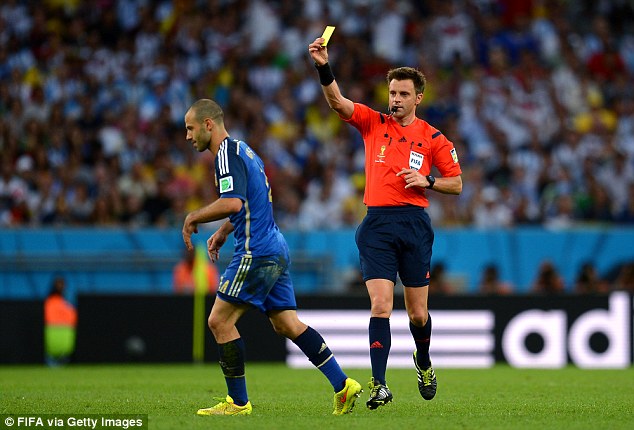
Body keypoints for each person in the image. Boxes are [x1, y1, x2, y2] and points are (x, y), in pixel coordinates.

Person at [181, 99, 361, 416]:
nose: (187, 136)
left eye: (190, 128)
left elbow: (234, 203)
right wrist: (224, 231)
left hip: (256, 250)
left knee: (219, 321)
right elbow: (255, 200)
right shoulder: (245, 151)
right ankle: (342, 385)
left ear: (209, 125)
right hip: (276, 245)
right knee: (286, 323)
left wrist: (194, 216)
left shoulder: (225, 155)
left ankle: (238, 402)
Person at [308, 37, 463, 409]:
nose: (395, 99)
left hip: (414, 225)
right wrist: (323, 66)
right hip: (376, 224)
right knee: (380, 306)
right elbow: (336, 102)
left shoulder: (434, 138)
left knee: (417, 313)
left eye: (403, 94)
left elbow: (456, 184)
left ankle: (422, 361)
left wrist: (427, 181)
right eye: (392, 92)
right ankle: (380, 384)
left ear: (418, 98)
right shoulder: (372, 123)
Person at [44, 276, 77, 366]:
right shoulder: (50, 301)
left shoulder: (67, 301)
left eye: (62, 284)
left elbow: (72, 316)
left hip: (66, 333)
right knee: (52, 358)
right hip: (52, 333)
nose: (61, 287)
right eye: (58, 284)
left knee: (64, 358)